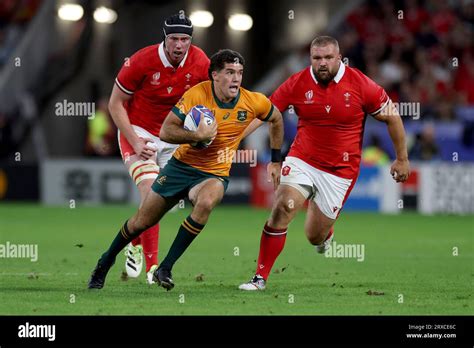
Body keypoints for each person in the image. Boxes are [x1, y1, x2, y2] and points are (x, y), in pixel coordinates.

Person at [88, 49, 284, 290]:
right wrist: (195, 136)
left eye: (240, 73)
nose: (236, 79)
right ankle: (105, 261)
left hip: (213, 173)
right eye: (229, 73)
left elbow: (276, 119)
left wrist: (275, 159)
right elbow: (166, 131)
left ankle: (165, 268)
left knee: (207, 202)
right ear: (214, 75)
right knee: (142, 221)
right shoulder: (197, 95)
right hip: (180, 167)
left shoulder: (253, 101)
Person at [239, 36, 410, 290]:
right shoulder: (297, 82)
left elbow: (392, 118)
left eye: (328, 58)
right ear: (310, 58)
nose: (322, 63)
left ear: (339, 57)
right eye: (317, 58)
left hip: (340, 171)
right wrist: (233, 138)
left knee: (314, 235)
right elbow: (266, 113)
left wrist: (402, 159)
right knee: (283, 208)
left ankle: (325, 235)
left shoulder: (361, 84)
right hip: (302, 159)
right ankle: (260, 277)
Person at [109, 13, 210, 284]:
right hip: (139, 131)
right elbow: (115, 103)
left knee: (161, 205)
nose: (179, 45)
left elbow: (211, 100)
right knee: (151, 192)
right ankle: (153, 268)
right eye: (174, 39)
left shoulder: (201, 61)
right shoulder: (141, 60)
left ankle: (134, 242)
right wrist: (134, 139)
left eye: (185, 39)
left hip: (175, 137)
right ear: (164, 39)